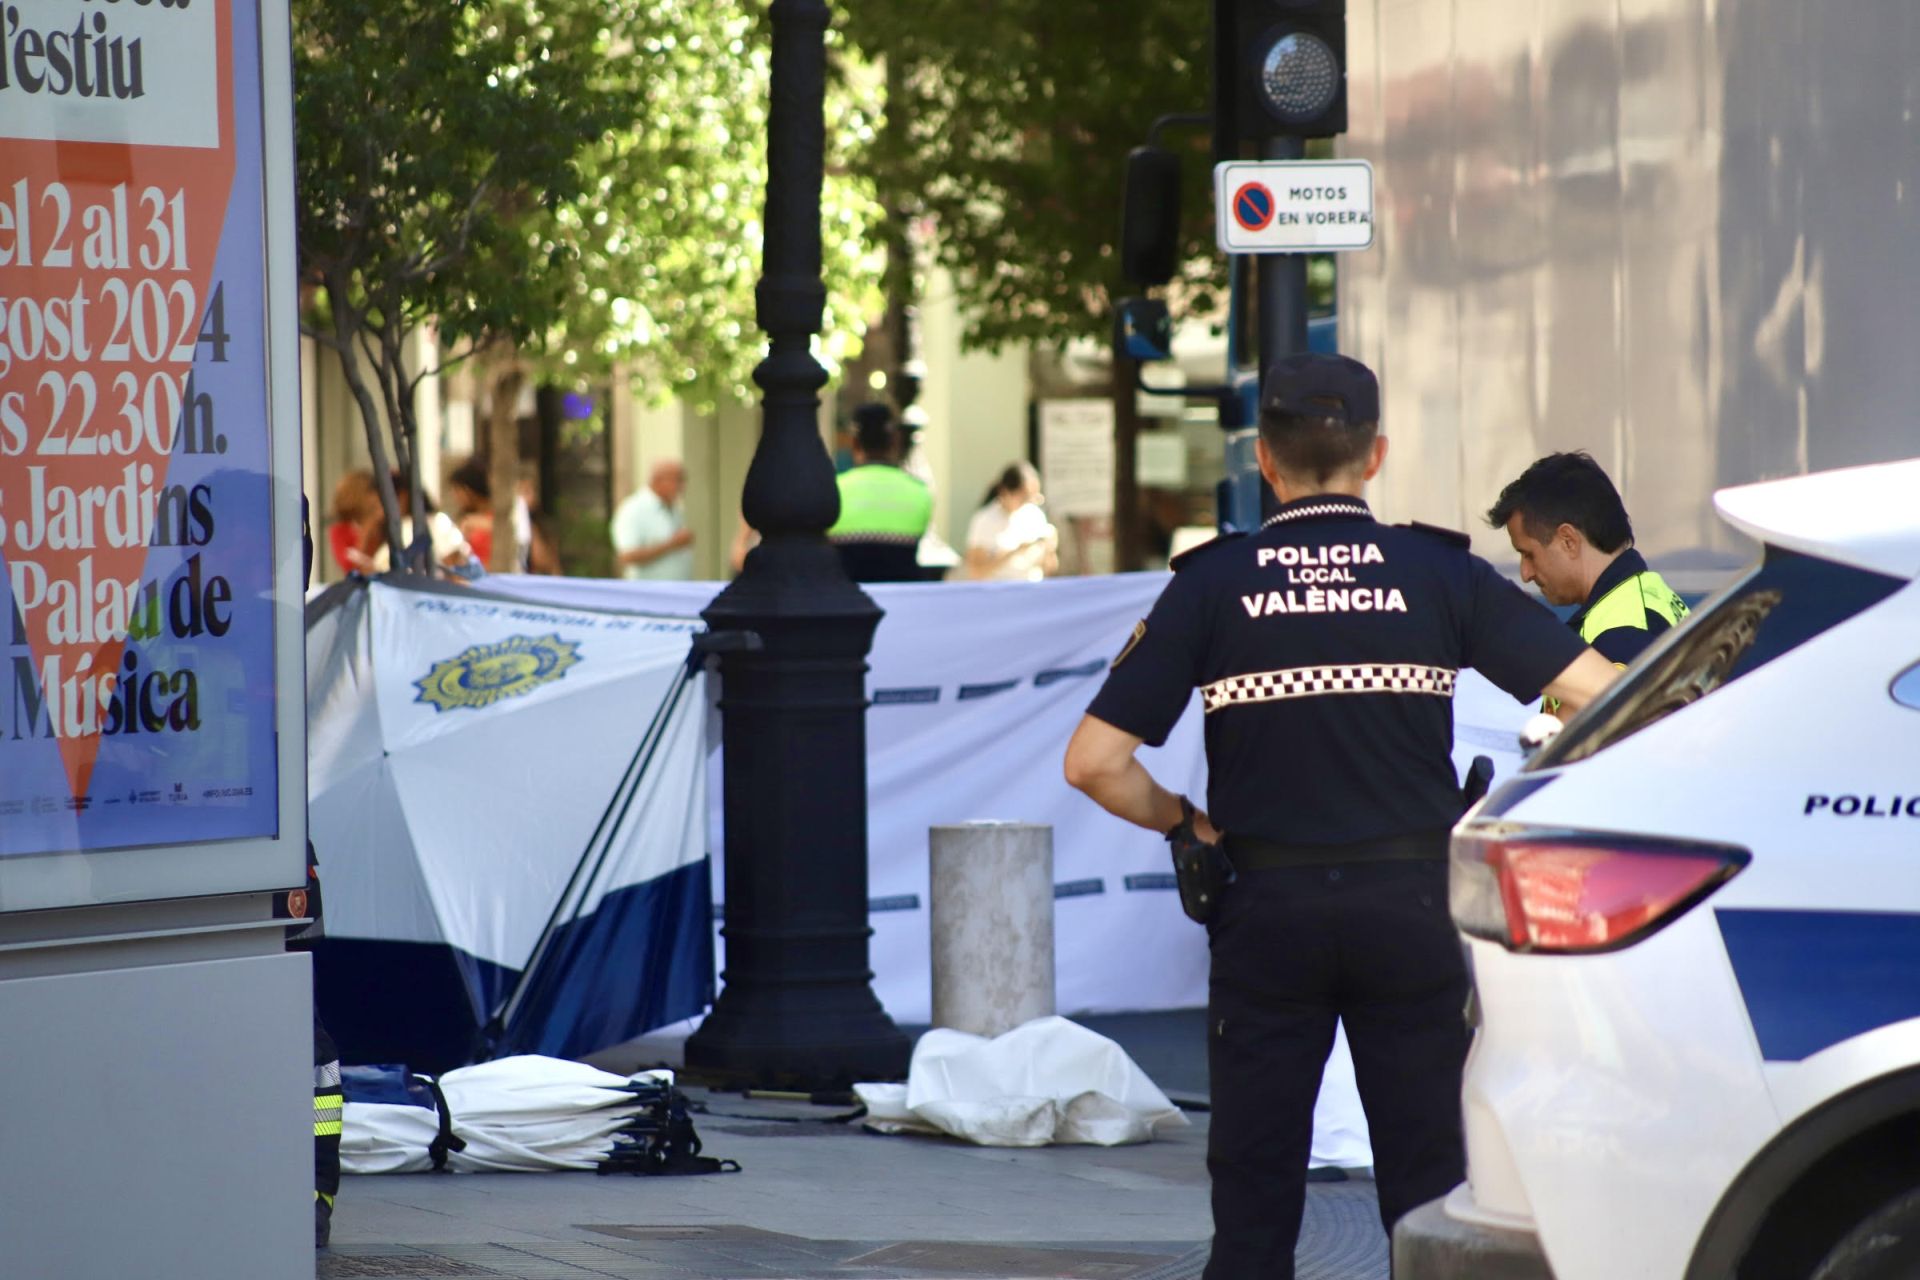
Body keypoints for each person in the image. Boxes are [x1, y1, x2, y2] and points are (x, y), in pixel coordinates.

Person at [1061, 353, 1619, 1277]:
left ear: (1264, 461)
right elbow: (1607, 697)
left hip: (1266, 912)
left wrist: (1183, 825)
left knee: (1254, 1200)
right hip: (1410, 909)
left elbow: (1094, 763)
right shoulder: (1440, 574)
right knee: (1431, 1189)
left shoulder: (1212, 583)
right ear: (1378, 453)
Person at [1488, 451, 1689, 709]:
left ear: (1568, 541)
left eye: (1529, 554)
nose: (1526, 573)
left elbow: (1605, 744)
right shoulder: (1638, 601)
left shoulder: (1624, 633)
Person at [827, 403, 932, 583]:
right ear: (894, 442)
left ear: (854, 443)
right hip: (902, 602)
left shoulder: (833, 490)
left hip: (847, 602)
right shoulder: (920, 491)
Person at [963, 462, 1059, 582]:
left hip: (1031, 591)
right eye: (1025, 497)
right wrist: (1016, 551)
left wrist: (1050, 549)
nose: (1029, 502)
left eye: (1034, 497)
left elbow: (1049, 569)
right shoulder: (984, 520)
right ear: (1006, 492)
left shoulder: (1035, 515)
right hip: (1000, 592)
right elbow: (975, 573)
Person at [612, 459, 695, 580]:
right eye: (678, 480)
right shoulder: (633, 510)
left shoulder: (672, 508)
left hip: (676, 593)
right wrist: (672, 544)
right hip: (648, 595)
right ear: (658, 480)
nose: (683, 486)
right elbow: (627, 556)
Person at [326, 469, 379, 576]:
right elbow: (350, 566)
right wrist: (367, 528)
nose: (377, 497)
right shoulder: (339, 531)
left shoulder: (383, 524)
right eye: (372, 492)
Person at [447, 457, 494, 569]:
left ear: (470, 490)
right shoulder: (465, 519)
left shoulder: (495, 519)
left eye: (458, 490)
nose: (455, 497)